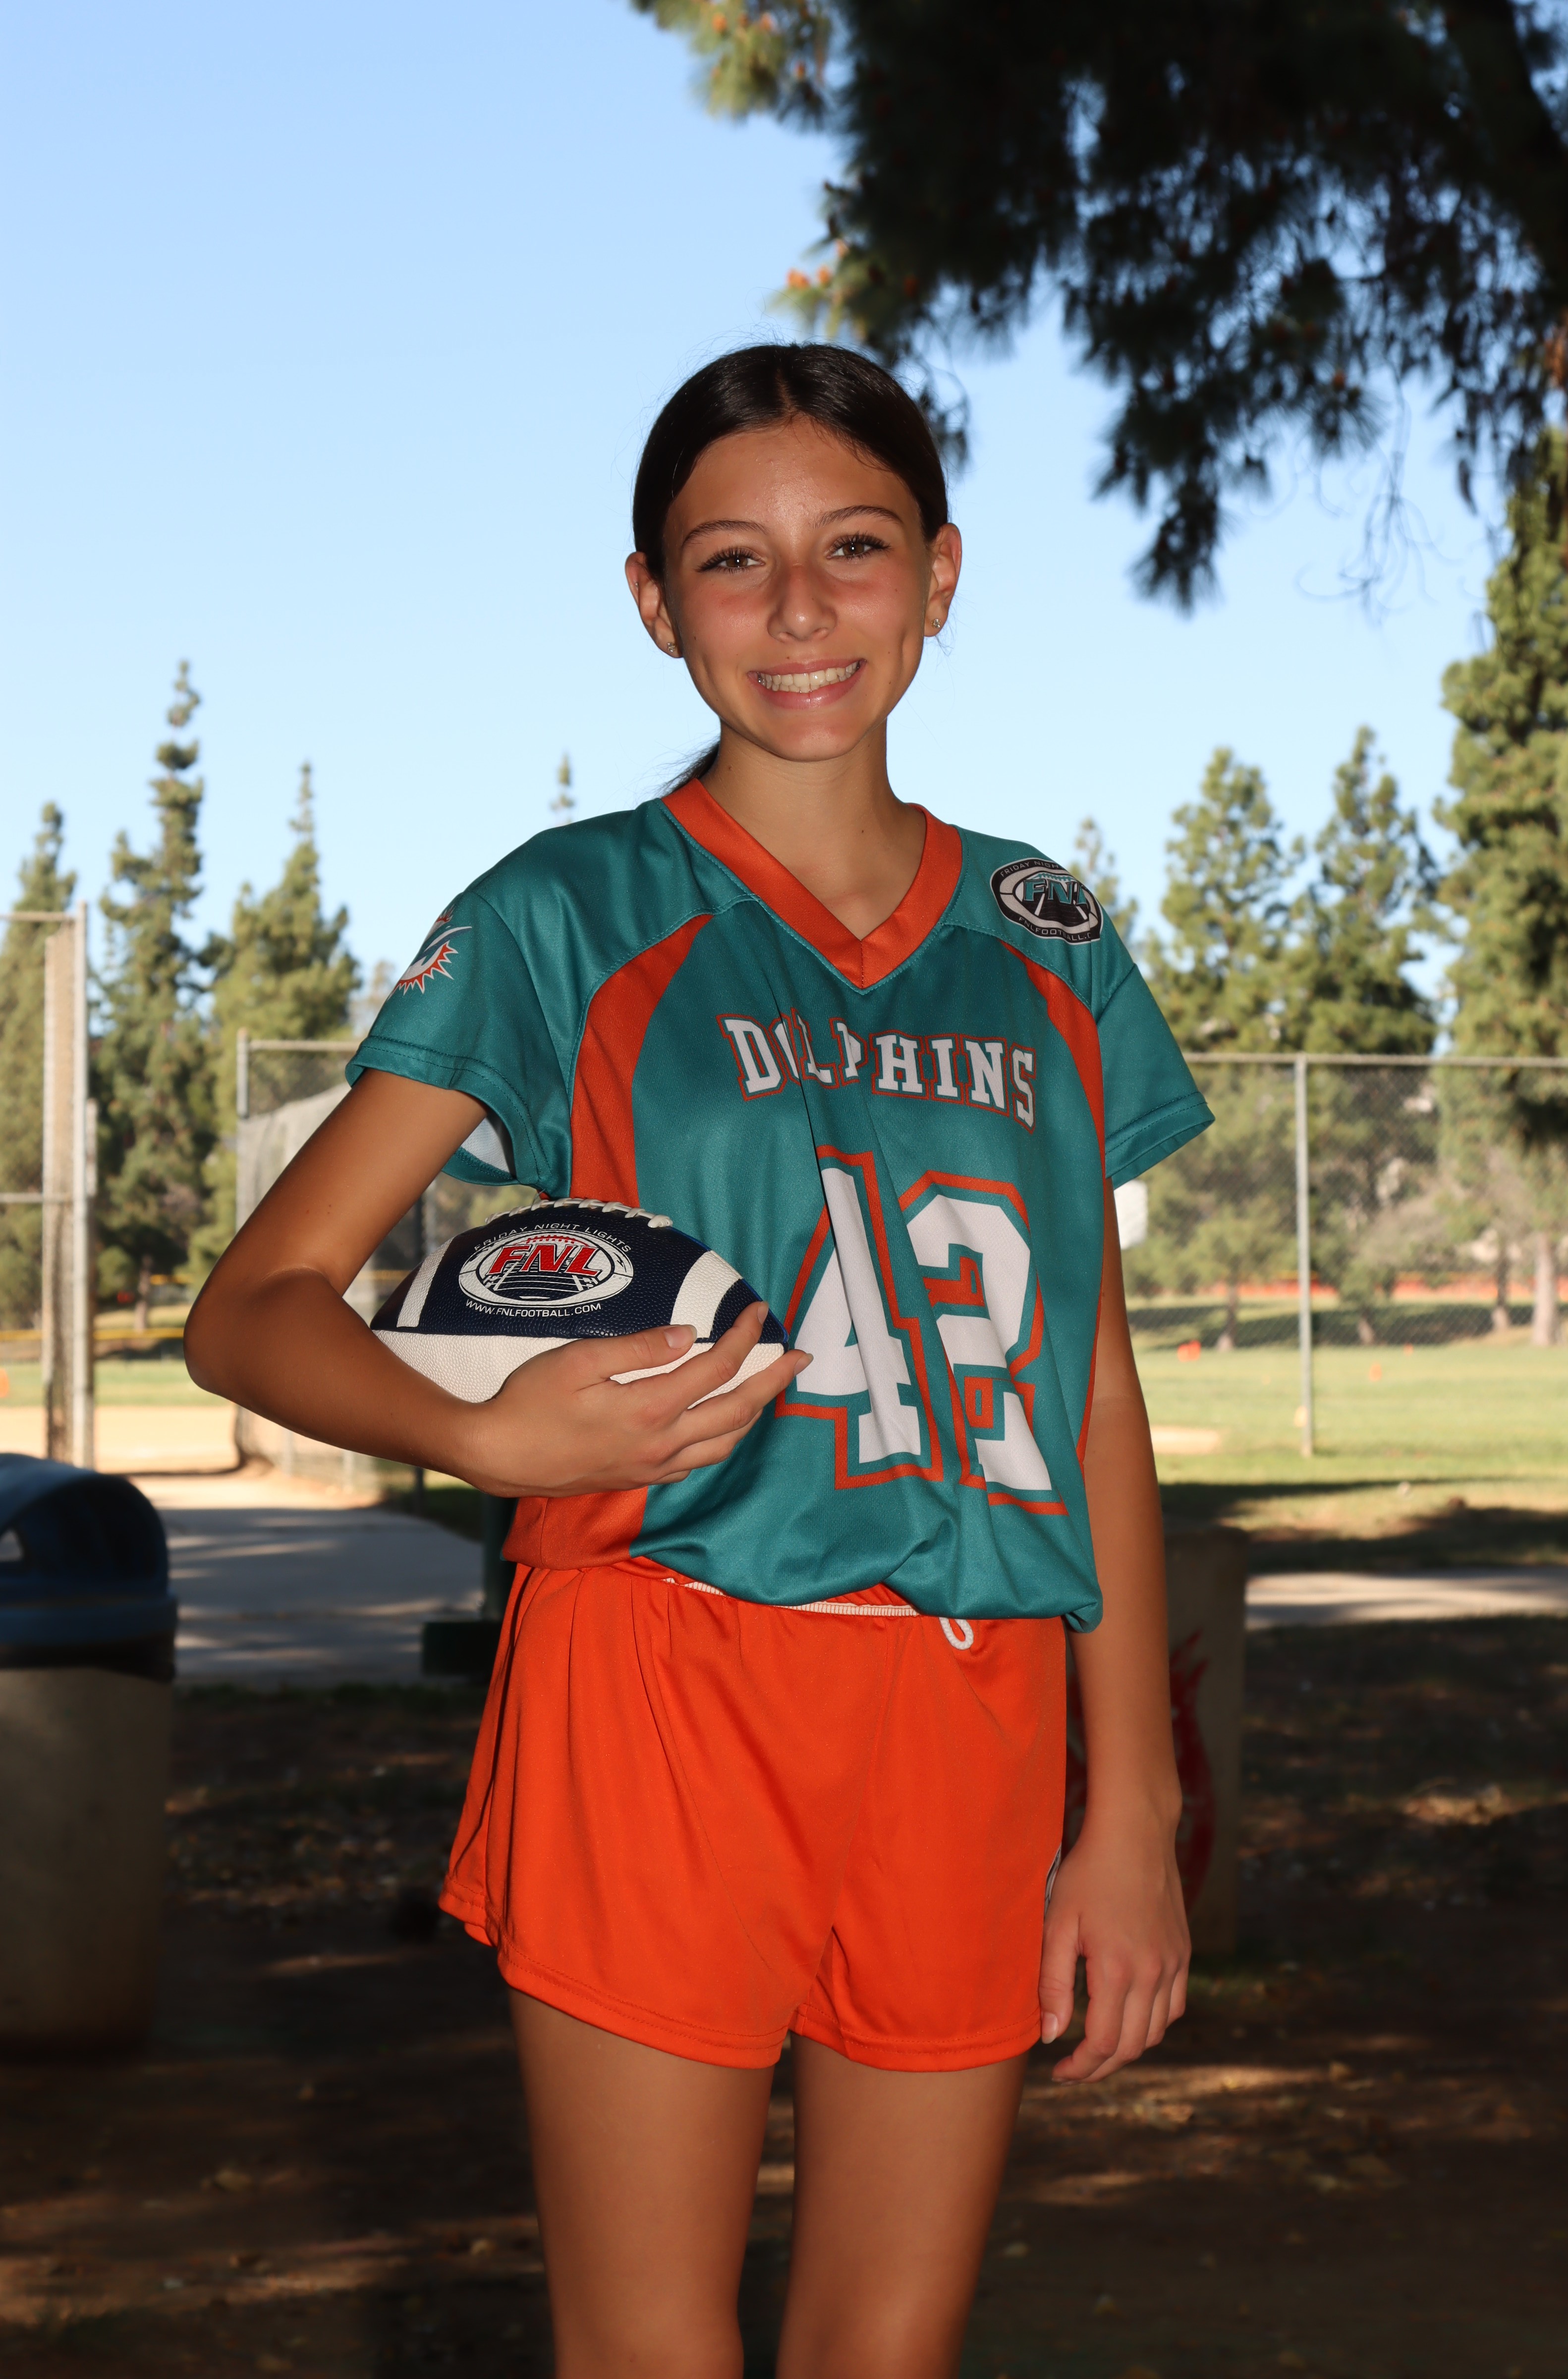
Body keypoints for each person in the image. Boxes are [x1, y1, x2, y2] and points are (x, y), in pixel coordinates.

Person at [186, 342, 1214, 2379]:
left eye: (854, 549)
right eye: (733, 560)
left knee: (883, 2355)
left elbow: (1090, 1388)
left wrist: (1132, 1813)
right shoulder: (570, 912)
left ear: (940, 574)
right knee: (649, 2352)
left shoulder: (1047, 936)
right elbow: (257, 1307)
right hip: (658, 1668)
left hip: (970, 1697)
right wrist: (482, 1434)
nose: (799, 608)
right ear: (655, 602)